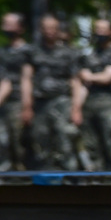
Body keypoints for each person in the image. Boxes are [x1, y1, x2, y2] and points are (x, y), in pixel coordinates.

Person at [23, 14, 85, 171]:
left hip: (62, 102)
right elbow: (26, 78)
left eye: (53, 28)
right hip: (40, 103)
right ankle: (43, 185)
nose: (49, 31)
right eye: (45, 28)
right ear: (40, 29)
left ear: (58, 30)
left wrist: (76, 109)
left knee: (65, 142)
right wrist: (27, 106)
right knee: (40, 143)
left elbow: (75, 81)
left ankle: (69, 181)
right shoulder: (32, 52)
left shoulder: (69, 53)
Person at [78, 19, 111, 170]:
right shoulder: (91, 54)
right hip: (89, 102)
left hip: (107, 103)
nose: (99, 33)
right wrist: (77, 107)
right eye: (97, 29)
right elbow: (82, 80)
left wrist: (90, 76)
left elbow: (107, 78)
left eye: (103, 30)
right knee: (92, 146)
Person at [0, 13, 32, 170]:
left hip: (18, 102)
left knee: (19, 145)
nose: (6, 28)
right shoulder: (2, 51)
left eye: (10, 24)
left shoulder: (28, 51)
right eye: (4, 24)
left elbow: (26, 79)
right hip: (3, 105)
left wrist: (27, 106)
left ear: (21, 28)